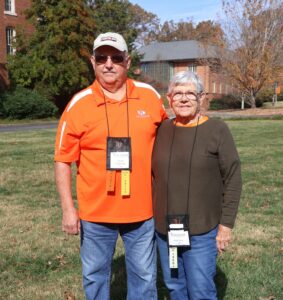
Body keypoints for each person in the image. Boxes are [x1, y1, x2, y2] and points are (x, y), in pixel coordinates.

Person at [54, 32, 167, 300]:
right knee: (95, 276)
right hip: (95, 214)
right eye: (102, 57)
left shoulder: (150, 97)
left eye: (116, 58)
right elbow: (62, 160)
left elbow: (172, 139)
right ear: (92, 62)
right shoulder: (78, 105)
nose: (109, 64)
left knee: (145, 278)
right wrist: (69, 209)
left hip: (142, 211)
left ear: (127, 62)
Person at [152, 71, 242, 300]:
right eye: (178, 93)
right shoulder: (161, 130)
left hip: (202, 231)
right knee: (174, 287)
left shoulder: (217, 130)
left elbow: (233, 178)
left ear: (201, 98)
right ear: (169, 98)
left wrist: (226, 226)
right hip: (167, 232)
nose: (183, 99)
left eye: (190, 93)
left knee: (201, 291)